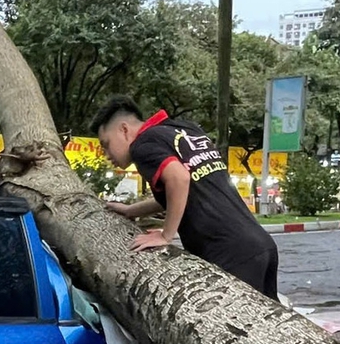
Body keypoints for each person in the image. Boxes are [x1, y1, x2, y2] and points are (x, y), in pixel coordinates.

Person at [93, 95, 280, 298]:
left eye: (106, 144)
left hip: (230, 253)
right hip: (261, 245)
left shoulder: (142, 146)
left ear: (124, 130)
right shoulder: (183, 129)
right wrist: (131, 210)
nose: (106, 154)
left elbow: (180, 179)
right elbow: (188, 189)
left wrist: (166, 235)